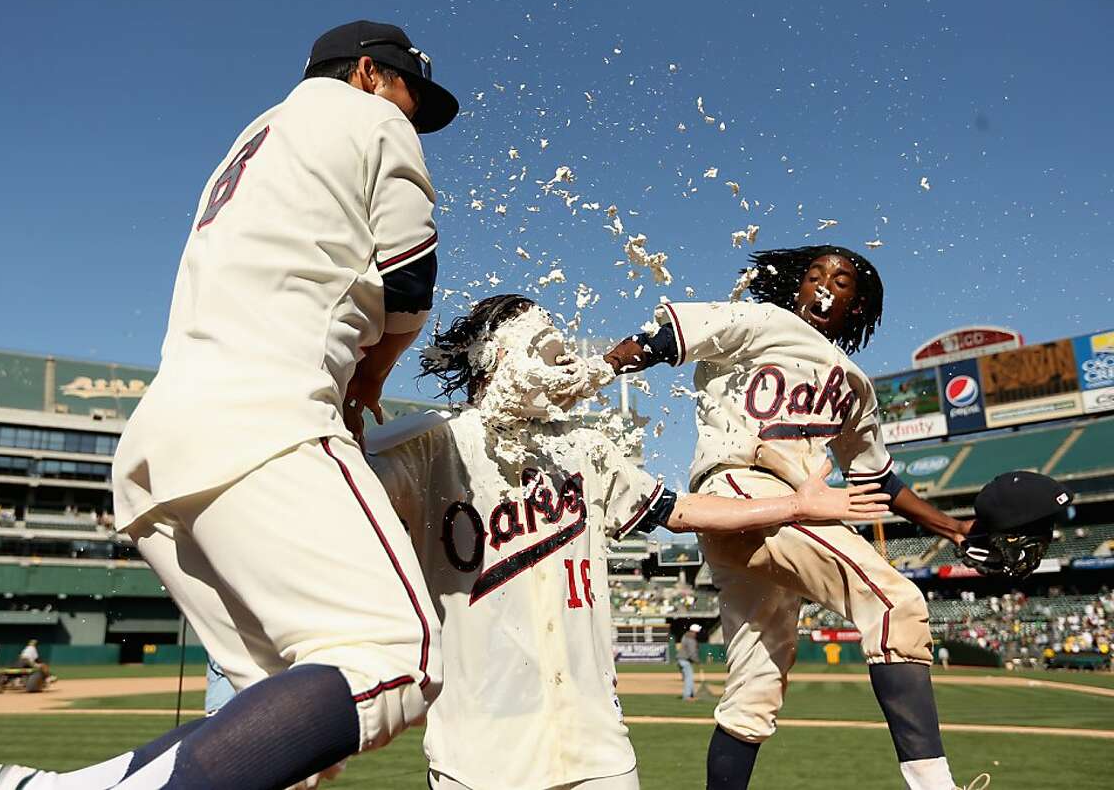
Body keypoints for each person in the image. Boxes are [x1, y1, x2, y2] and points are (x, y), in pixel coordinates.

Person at [0, 20, 459, 790]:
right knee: (395, 656)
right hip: (266, 412)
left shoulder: (251, 139)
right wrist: (370, 378)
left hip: (161, 442)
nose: (413, 115)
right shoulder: (371, 117)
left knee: (291, 733)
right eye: (411, 93)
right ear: (370, 72)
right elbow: (409, 283)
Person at [367, 295, 890, 790]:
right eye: (534, 341)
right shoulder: (428, 446)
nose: (558, 351)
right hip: (478, 750)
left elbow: (681, 512)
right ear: (491, 356)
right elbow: (329, 496)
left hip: (598, 749)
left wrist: (795, 507)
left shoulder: (586, 447)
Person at [605, 246, 983, 790]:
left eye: (842, 279)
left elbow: (876, 479)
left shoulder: (854, 384)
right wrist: (599, 369)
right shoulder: (764, 320)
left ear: (858, 305)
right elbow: (665, 337)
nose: (825, 282)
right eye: (814, 274)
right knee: (896, 601)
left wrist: (953, 527)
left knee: (753, 696)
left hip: (779, 523)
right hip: (739, 488)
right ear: (798, 286)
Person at [678, 625, 701, 701]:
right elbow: (692, 653)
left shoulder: (685, 636)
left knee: (688, 678)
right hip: (685, 661)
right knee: (689, 678)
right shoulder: (691, 640)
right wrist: (697, 661)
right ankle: (687, 696)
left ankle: (691, 695)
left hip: (680, 660)